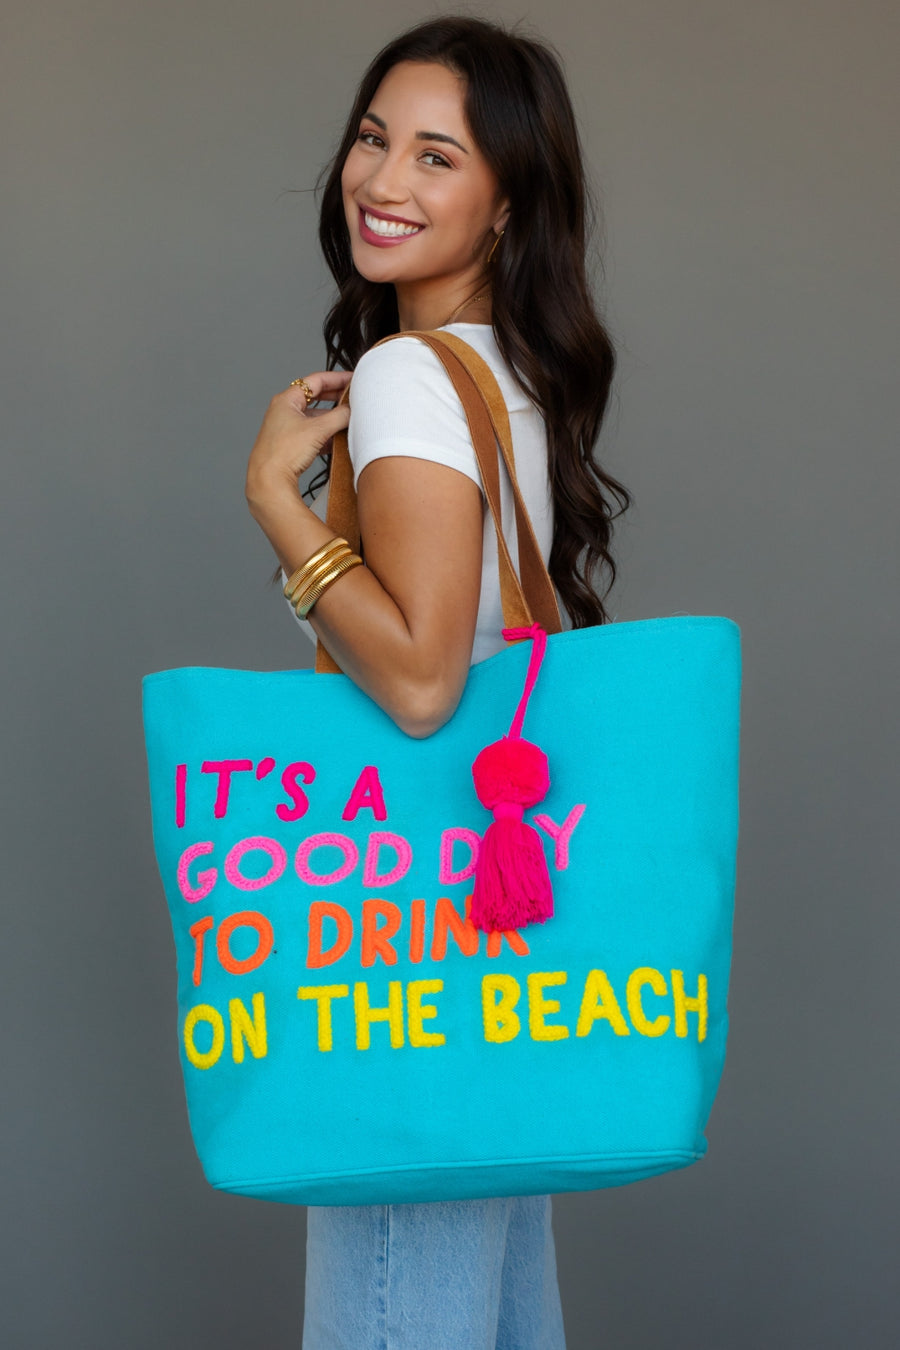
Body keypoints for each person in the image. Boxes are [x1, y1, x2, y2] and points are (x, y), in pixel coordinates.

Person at [245, 15, 630, 1349]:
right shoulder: (505, 377)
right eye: (370, 138)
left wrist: (276, 509)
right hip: (494, 952)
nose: (383, 183)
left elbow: (416, 683)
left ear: (505, 201)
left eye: (435, 156)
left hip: (400, 948)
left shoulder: (411, 373)